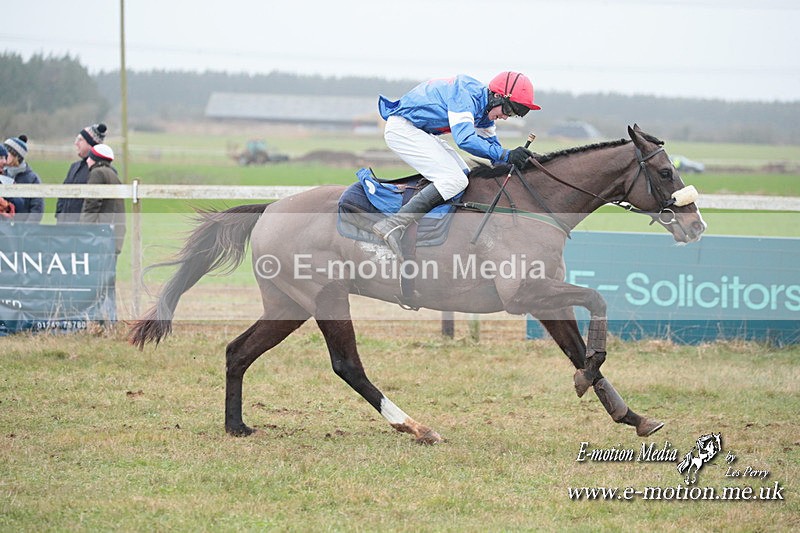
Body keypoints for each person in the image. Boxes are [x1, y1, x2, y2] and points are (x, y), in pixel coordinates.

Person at [372, 71, 541, 259]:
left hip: (420, 132)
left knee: (464, 175)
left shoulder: (485, 110)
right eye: (508, 110)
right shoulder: (465, 95)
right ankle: (392, 225)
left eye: (513, 114)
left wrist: (522, 161)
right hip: (402, 130)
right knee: (454, 179)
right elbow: (465, 139)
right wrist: (507, 155)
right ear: (497, 97)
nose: (506, 117)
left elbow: (495, 152)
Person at [56, 122, 107, 224]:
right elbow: (63, 194)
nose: (76, 143)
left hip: (84, 232)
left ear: (91, 143)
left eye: (80, 140)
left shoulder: (102, 171)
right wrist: (59, 215)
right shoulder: (74, 167)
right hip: (64, 229)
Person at [81, 143, 126, 254]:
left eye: (89, 158)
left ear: (95, 159)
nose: (87, 161)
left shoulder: (97, 173)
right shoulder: (113, 175)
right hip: (112, 235)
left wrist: (83, 230)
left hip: (99, 237)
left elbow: (92, 204)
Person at [2, 135, 43, 223]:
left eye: (7, 152)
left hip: (22, 233)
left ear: (16, 156)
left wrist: (26, 231)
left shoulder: (33, 179)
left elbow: (37, 210)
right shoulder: (2, 175)